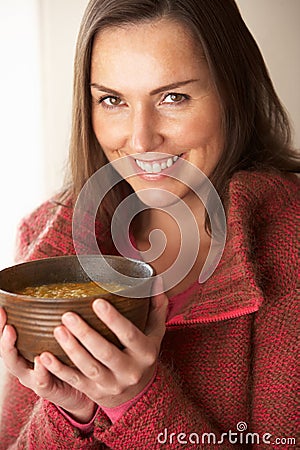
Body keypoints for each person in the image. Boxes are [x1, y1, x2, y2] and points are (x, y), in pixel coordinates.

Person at [0, 0, 299, 448]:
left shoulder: (289, 244)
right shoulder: (46, 238)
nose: (140, 138)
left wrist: (134, 400)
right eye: (112, 100)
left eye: (172, 97)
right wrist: (73, 410)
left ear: (233, 92)